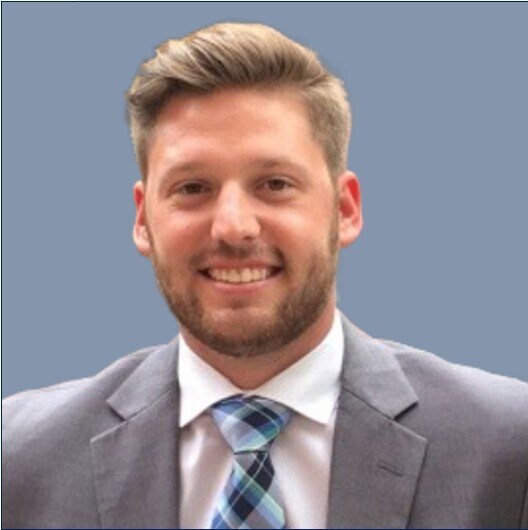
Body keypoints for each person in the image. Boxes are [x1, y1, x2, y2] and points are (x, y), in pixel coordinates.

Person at [2, 22, 528, 529]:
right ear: (143, 219)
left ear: (345, 209)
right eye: (192, 188)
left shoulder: (508, 448)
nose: (233, 227)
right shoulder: (21, 458)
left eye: (274, 184)